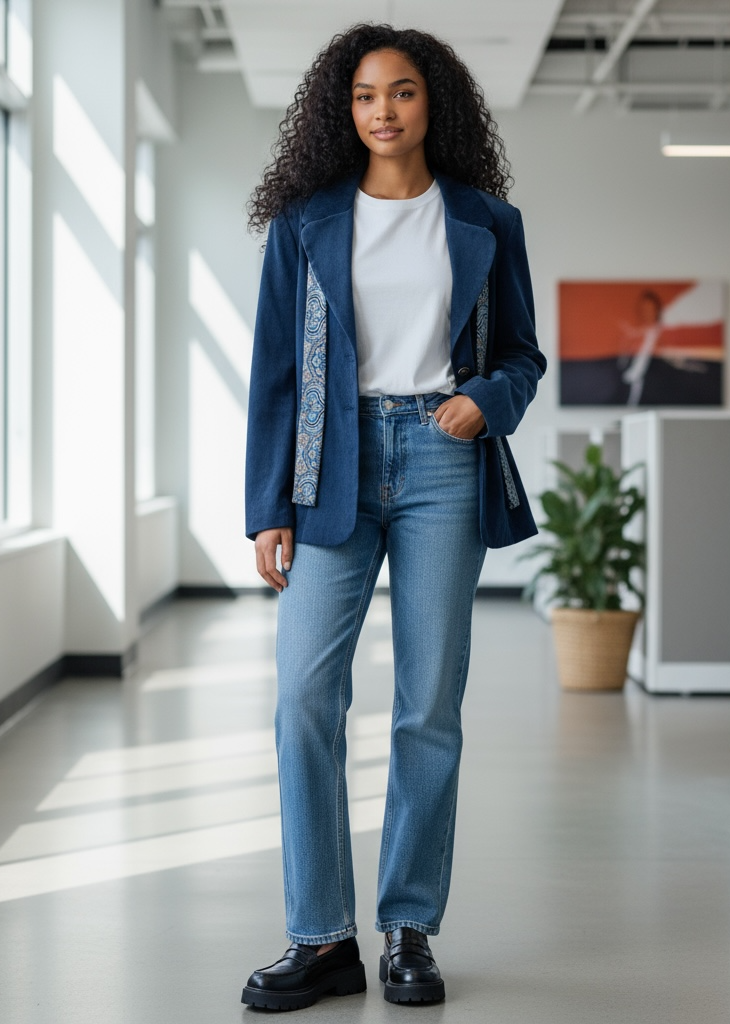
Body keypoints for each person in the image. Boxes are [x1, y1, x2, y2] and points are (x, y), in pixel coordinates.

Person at [241, 23, 546, 1011]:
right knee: (303, 697)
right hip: (328, 468)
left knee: (428, 705)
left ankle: (408, 926)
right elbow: (276, 375)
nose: (383, 110)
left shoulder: (487, 221)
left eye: (402, 91)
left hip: (442, 462)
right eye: (366, 94)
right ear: (345, 109)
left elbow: (523, 356)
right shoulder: (305, 224)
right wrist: (266, 506)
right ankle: (322, 937)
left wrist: (484, 401)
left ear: (431, 103)